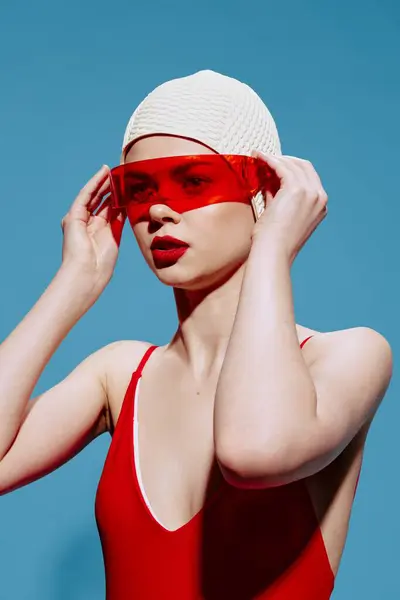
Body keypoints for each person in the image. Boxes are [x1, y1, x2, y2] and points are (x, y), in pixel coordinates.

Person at [0, 70, 392, 599]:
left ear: (263, 192)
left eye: (194, 181)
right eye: (139, 190)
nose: (160, 210)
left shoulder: (348, 356)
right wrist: (76, 282)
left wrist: (273, 250)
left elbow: (252, 452)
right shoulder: (119, 376)